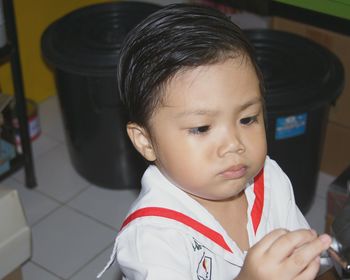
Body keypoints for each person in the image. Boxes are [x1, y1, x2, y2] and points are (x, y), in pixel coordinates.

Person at [98, 4, 332, 280]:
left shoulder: (270, 180)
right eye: (201, 128)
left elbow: (306, 262)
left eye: (247, 119)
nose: (234, 144)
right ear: (145, 141)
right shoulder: (151, 240)